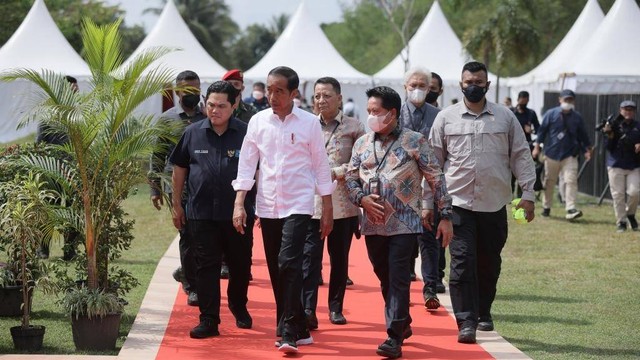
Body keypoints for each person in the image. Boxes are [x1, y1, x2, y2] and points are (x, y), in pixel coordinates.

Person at [429, 61, 536, 344]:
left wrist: (528, 194)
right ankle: (466, 321)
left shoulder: (505, 117)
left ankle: (483, 311)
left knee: (489, 263)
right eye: (468, 81)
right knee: (462, 263)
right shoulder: (445, 118)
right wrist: (432, 203)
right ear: (460, 84)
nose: (473, 85)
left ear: (487, 85)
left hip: (494, 204)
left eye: (479, 81)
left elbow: (521, 155)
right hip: (458, 205)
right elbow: (433, 163)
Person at [232, 66, 334, 354]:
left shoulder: (309, 123)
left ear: (293, 93)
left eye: (279, 91)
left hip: (299, 203)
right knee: (278, 266)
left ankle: (287, 329)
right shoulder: (257, 121)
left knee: (289, 262)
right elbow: (247, 164)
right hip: (267, 203)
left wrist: (326, 208)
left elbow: (320, 165)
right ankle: (298, 324)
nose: (272, 96)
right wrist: (239, 202)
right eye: (269, 89)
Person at [346, 86, 453, 359]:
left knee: (398, 279)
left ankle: (393, 337)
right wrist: (361, 199)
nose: (371, 116)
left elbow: (436, 178)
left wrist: (446, 216)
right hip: (372, 224)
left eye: (376, 111)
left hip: (406, 225)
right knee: (384, 277)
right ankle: (402, 322)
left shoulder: (415, 141)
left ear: (392, 113)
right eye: (369, 111)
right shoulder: (361, 143)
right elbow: (350, 178)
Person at [169, 80, 255, 339]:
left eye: (221, 106)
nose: (214, 110)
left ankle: (238, 306)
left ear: (235, 104)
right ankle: (208, 319)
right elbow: (180, 168)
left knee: (240, 266)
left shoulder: (247, 133)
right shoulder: (192, 133)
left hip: (237, 214)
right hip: (200, 213)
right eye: (210, 105)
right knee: (206, 266)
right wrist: (177, 205)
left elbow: (259, 171)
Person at [302, 77, 366, 330]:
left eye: (327, 95)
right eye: (317, 96)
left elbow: (362, 162)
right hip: (311, 205)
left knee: (339, 260)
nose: (321, 100)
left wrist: (337, 172)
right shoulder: (306, 125)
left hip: (343, 206)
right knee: (309, 260)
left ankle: (335, 307)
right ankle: (308, 309)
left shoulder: (355, 127)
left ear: (339, 98)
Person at [149, 70, 205, 307]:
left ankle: (187, 269)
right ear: (177, 90)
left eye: (195, 89)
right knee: (187, 233)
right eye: (186, 89)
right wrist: (155, 189)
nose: (191, 93)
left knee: (204, 235)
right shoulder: (167, 119)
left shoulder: (209, 115)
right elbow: (158, 155)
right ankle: (191, 285)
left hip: (205, 184)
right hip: (178, 185)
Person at [397, 66, 444, 309]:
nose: (417, 90)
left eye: (422, 86)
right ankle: (402, 284)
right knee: (403, 241)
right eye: (413, 85)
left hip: (428, 184)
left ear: (430, 89)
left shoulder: (438, 115)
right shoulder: (394, 114)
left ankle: (430, 287)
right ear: (405, 87)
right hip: (399, 188)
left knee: (429, 238)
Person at [219, 69, 258, 280]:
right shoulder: (216, 108)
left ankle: (244, 265)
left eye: (237, 84)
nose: (234, 87)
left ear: (242, 87)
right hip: (223, 174)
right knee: (223, 221)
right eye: (230, 83)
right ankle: (224, 262)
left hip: (246, 176)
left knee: (245, 224)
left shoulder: (251, 112)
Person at [35, 75, 79, 261]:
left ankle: (66, 250)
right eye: (72, 89)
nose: (76, 92)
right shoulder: (48, 116)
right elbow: (40, 146)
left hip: (73, 173)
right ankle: (44, 249)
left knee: (71, 212)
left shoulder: (78, 116)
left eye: (76, 89)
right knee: (49, 212)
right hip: (51, 171)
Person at [532, 89, 592, 220]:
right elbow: (542, 132)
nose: (568, 102)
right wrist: (536, 148)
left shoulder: (577, 117)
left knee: (571, 181)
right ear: (560, 100)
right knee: (549, 182)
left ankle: (571, 207)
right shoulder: (551, 114)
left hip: (570, 155)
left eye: (570, 100)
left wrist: (587, 150)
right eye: (566, 99)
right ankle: (546, 207)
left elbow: (583, 135)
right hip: (551, 154)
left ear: (573, 101)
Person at [601, 100, 640, 232]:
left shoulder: (638, 126)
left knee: (635, 192)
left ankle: (630, 214)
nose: (628, 112)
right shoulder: (614, 125)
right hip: (616, 163)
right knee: (618, 195)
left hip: (633, 165)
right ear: (620, 111)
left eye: (631, 110)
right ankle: (621, 221)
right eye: (625, 109)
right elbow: (607, 147)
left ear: (634, 112)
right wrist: (610, 135)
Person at [512, 91, 540, 197]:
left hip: (526, 146)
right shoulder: (512, 112)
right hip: (512, 146)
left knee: (522, 173)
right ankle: (509, 195)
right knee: (510, 173)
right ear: (518, 100)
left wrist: (531, 130)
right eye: (522, 101)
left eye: (526, 101)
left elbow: (539, 130)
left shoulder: (531, 114)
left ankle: (520, 195)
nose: (523, 104)